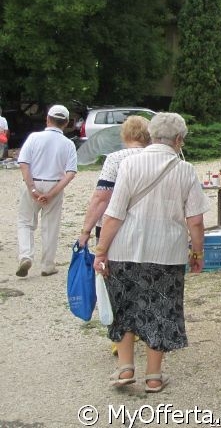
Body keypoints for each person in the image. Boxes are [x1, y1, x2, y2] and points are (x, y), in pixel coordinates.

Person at [92, 112, 209, 393]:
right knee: (161, 310)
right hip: (166, 252)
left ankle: (125, 368)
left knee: (125, 306)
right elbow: (195, 220)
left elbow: (114, 214)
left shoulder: (129, 165)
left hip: (124, 248)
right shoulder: (185, 170)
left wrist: (100, 251)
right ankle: (154, 376)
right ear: (179, 139)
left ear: (152, 135)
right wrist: (197, 252)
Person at [15, 104, 77, 277]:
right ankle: (47, 265)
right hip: (54, 184)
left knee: (25, 222)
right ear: (65, 123)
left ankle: (26, 255)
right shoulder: (68, 144)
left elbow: (23, 164)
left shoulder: (34, 137)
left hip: (33, 182)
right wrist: (51, 193)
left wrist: (32, 188)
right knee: (50, 226)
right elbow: (70, 173)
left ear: (47, 119)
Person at [78, 115, 151, 248]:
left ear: (125, 134)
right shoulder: (155, 159)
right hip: (148, 226)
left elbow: (101, 198)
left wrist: (86, 230)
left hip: (114, 224)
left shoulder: (115, 159)